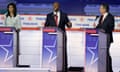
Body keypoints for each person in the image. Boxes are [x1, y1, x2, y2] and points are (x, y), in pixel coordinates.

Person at [45, 2, 72, 72]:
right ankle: (51, 67)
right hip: (52, 38)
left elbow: (69, 25)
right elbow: (46, 27)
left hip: (62, 38)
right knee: (52, 53)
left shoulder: (64, 15)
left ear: (59, 6)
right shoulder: (49, 16)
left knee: (63, 52)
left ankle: (64, 68)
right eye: (54, 6)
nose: (55, 7)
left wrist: (70, 24)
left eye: (56, 6)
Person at [96, 3, 115, 72]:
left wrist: (104, 30)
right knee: (103, 54)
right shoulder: (101, 17)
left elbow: (111, 27)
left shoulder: (111, 17)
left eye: (101, 8)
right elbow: (99, 26)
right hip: (101, 39)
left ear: (104, 9)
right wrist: (95, 28)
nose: (99, 9)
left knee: (106, 54)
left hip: (107, 38)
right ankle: (103, 68)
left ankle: (109, 69)